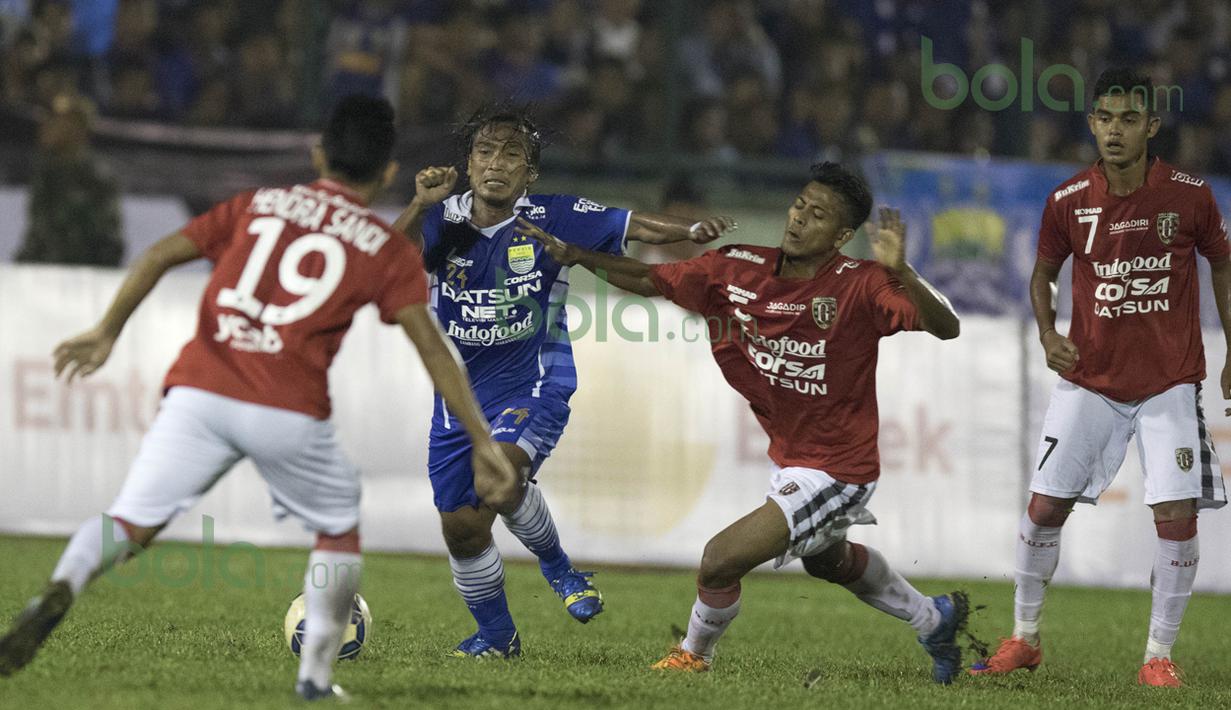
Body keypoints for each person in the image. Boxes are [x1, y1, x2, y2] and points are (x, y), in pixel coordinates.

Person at [0, 95, 517, 701]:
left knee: (130, 521)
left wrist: (105, 330)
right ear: (384, 173)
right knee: (336, 526)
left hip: (199, 390)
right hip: (288, 408)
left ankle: (63, 584)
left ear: (318, 152)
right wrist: (482, 440)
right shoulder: (380, 246)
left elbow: (161, 254)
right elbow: (433, 349)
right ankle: (315, 680)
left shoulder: (257, 204)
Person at [524, 161, 969, 684]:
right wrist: (577, 257)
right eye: (800, 204)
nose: (799, 218)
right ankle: (934, 618)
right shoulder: (736, 267)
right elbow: (648, 278)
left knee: (718, 560)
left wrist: (904, 271)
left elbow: (949, 327)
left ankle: (693, 654)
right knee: (828, 562)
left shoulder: (862, 284)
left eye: (818, 214)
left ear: (843, 236)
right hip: (793, 456)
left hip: (840, 469)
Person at [390, 104, 736, 658]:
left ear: (530, 174)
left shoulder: (553, 215)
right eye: (485, 151)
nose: (495, 163)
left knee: (498, 477)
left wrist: (689, 230)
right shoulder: (440, 216)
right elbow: (385, 261)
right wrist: (417, 204)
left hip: (535, 382)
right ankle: (499, 640)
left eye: (512, 155)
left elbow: (634, 224)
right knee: (461, 528)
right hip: (458, 397)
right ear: (469, 163)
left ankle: (559, 570)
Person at [968, 69, 1230, 688]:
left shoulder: (1190, 196)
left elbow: (1222, 262)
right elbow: (1043, 275)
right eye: (1105, 118)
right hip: (1089, 380)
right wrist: (1047, 333)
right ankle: (1024, 638)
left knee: (1175, 511)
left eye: (1129, 119)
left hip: (1168, 380)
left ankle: (1158, 656)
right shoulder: (1066, 200)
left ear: (1151, 126)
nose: (1115, 130)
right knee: (1042, 509)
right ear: (1092, 123)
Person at [15, 92, 124, 266]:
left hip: (82, 276)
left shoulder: (95, 177)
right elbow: (37, 234)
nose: (45, 125)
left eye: (55, 120)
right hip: (41, 274)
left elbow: (108, 241)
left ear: (77, 127)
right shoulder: (46, 172)